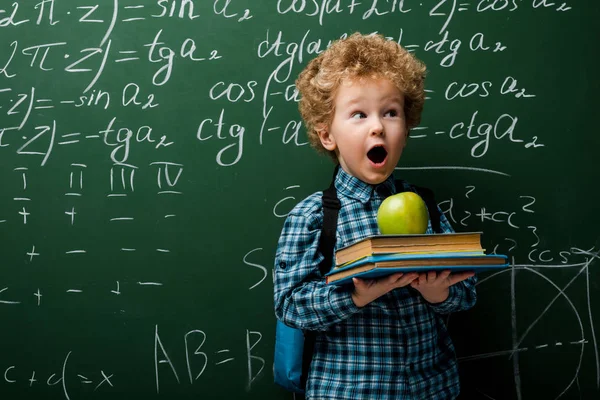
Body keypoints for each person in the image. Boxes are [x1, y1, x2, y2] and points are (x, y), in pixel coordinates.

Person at [273, 32, 477, 399]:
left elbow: (466, 294)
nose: (378, 126)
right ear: (327, 135)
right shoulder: (313, 216)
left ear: (406, 128)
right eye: (358, 114)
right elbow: (290, 305)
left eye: (390, 112)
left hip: (432, 389)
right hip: (348, 390)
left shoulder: (425, 206)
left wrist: (439, 292)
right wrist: (354, 296)